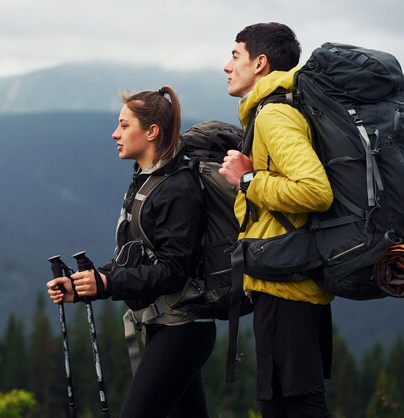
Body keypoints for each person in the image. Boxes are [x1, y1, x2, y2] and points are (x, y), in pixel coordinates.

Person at [47, 86, 215, 418]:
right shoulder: (146, 180)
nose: (115, 134)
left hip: (181, 329)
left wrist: (106, 284)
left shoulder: (178, 188)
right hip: (169, 327)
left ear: (152, 132)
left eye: (125, 125)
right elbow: (135, 259)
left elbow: (172, 270)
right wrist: (85, 286)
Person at [219, 22, 334, 418]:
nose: (226, 67)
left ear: (261, 63)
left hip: (288, 288)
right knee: (284, 405)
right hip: (284, 280)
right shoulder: (279, 109)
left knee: (297, 406)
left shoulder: (273, 116)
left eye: (235, 56)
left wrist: (248, 179)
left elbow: (316, 191)